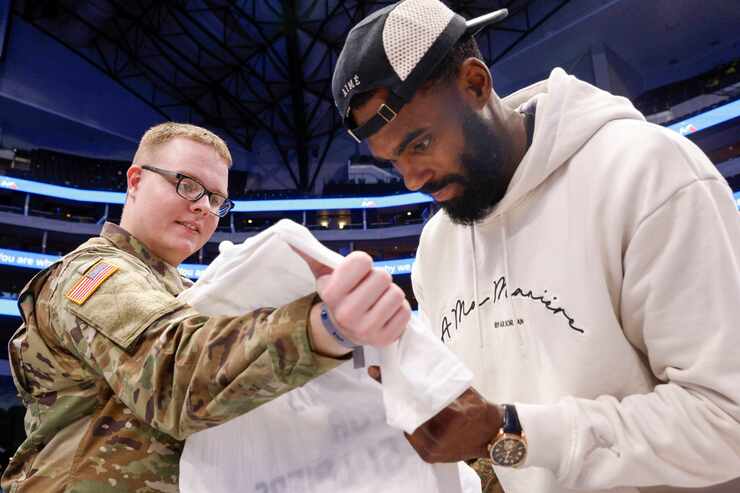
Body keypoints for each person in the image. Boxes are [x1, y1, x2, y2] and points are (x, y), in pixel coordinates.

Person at [332, 1, 740, 492]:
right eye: (393, 161)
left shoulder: (647, 173)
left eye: (419, 143)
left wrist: (510, 430)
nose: (413, 178)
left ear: (476, 84)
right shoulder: (436, 247)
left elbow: (727, 419)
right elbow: (481, 441)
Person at [1, 122, 411, 492]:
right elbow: (170, 376)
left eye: (216, 198)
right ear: (135, 181)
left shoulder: (192, 291)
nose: (203, 206)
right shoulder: (91, 274)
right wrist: (323, 327)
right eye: (187, 184)